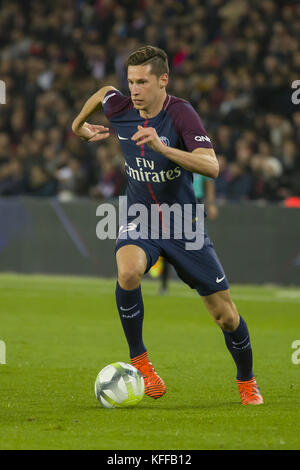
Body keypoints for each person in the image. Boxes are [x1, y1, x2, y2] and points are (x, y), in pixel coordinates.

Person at [72, 45, 263, 405]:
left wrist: (163, 147)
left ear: (163, 80)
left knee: (225, 316)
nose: (134, 90)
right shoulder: (121, 106)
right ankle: (141, 362)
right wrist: (78, 124)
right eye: (130, 81)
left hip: (183, 224)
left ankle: (247, 380)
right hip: (138, 216)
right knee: (127, 273)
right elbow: (102, 93)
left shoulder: (181, 114)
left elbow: (211, 167)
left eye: (142, 82)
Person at [150, 174, 219, 294]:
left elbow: (209, 181)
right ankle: (164, 284)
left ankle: (204, 283)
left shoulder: (199, 157)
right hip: (176, 201)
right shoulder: (179, 157)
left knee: (199, 244)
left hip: (196, 202)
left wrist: (211, 203)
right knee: (168, 243)